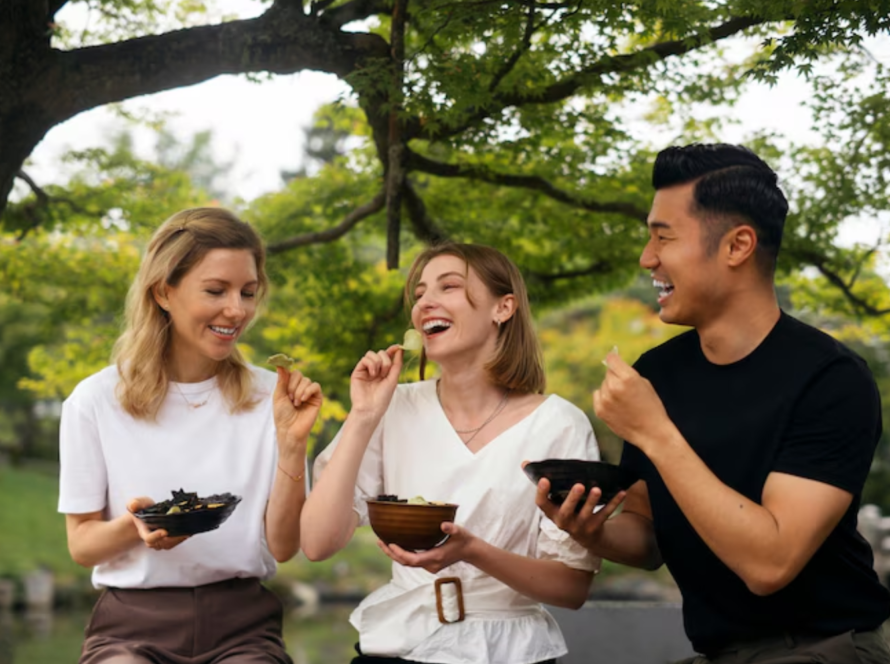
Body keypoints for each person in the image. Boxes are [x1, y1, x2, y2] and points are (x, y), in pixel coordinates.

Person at [535, 143, 890, 663]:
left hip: (826, 646)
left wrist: (655, 431)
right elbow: (648, 537)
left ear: (738, 245)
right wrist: (591, 531)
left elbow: (769, 564)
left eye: (664, 236)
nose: (647, 258)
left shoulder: (831, 379)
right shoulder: (659, 372)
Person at [300, 242, 600, 664]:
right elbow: (317, 542)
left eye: (449, 286)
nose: (425, 303)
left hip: (509, 652)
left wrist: (472, 551)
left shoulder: (559, 425)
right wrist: (364, 415)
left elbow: (571, 588)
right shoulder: (392, 408)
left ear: (503, 308)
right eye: (419, 293)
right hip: (397, 647)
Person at [58, 207, 322, 664]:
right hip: (129, 629)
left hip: (243, 628)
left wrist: (292, 444)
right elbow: (82, 545)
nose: (236, 310)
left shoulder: (271, 396)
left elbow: (284, 546)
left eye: (248, 292)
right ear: (164, 291)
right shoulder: (95, 400)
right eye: (216, 290)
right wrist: (138, 527)